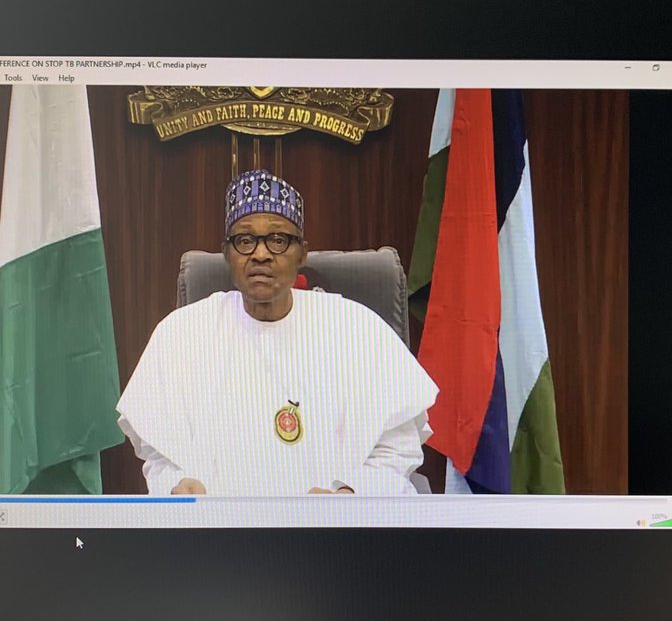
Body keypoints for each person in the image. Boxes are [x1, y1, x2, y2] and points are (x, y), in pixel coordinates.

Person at [116, 169, 439, 495]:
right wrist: (176, 485)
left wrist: (351, 494)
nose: (261, 254)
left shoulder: (357, 330)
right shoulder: (182, 335)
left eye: (278, 240)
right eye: (245, 240)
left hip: (331, 524)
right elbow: (159, 456)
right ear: (227, 253)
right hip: (217, 523)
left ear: (302, 253)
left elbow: (397, 448)